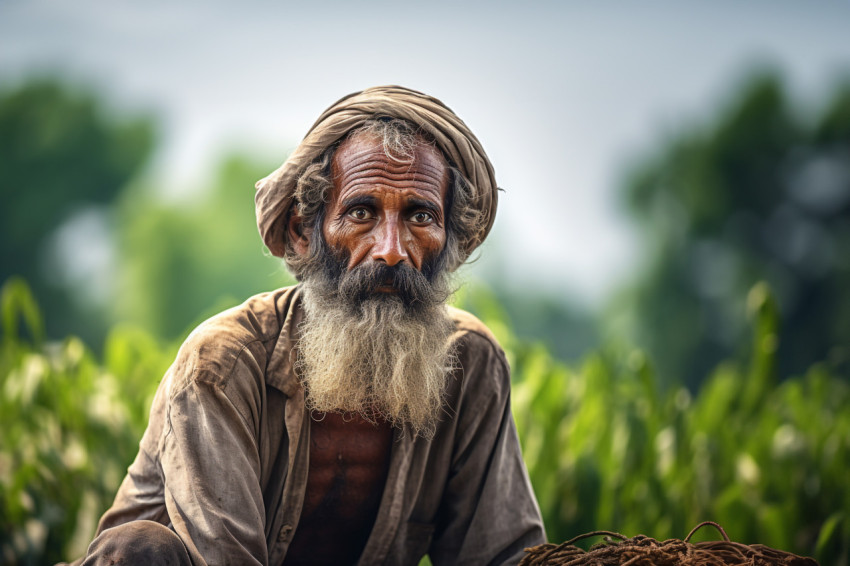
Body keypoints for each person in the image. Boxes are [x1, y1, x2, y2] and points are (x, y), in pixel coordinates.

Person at [67, 86, 545, 565]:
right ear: (302, 231)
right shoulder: (223, 365)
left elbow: (503, 554)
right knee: (140, 549)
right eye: (361, 213)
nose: (391, 249)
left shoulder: (472, 365)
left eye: (420, 216)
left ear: (448, 243)